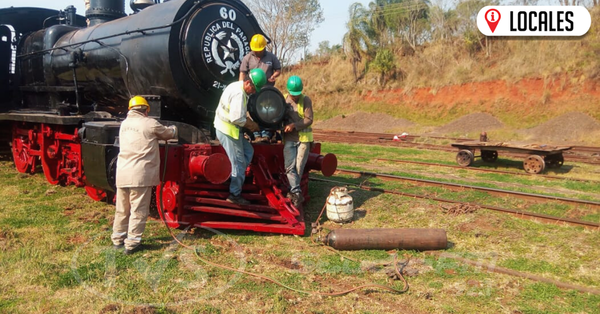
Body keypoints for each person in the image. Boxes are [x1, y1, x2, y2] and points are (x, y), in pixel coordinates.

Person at [111, 96, 178, 255]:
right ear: (146, 110)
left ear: (130, 109)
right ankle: (132, 244)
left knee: (122, 209)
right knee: (138, 210)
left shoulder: (124, 124)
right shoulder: (150, 123)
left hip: (122, 173)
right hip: (140, 175)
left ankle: (117, 239)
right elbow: (168, 134)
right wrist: (174, 129)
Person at [214, 68, 267, 205]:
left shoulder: (237, 85)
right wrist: (251, 125)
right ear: (248, 82)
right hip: (228, 130)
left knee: (249, 151)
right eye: (254, 88)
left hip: (228, 128)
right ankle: (234, 194)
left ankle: (235, 176)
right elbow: (236, 118)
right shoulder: (239, 94)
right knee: (238, 163)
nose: (254, 91)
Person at [239, 34, 282, 143]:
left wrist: (274, 76)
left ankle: (266, 134)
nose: (257, 52)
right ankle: (256, 134)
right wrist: (241, 86)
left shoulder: (271, 57)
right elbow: (242, 73)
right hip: (252, 90)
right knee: (252, 112)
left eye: (260, 50)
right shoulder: (247, 58)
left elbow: (278, 70)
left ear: (264, 47)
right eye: (255, 50)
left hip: (267, 91)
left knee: (267, 113)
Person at [282, 76, 313, 208]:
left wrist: (294, 125)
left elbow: (309, 119)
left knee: (299, 167)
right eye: (292, 95)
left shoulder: (305, 100)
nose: (294, 97)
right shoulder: (283, 99)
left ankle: (293, 193)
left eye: (297, 95)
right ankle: (296, 193)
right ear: (288, 91)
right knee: (289, 166)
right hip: (289, 138)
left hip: (303, 139)